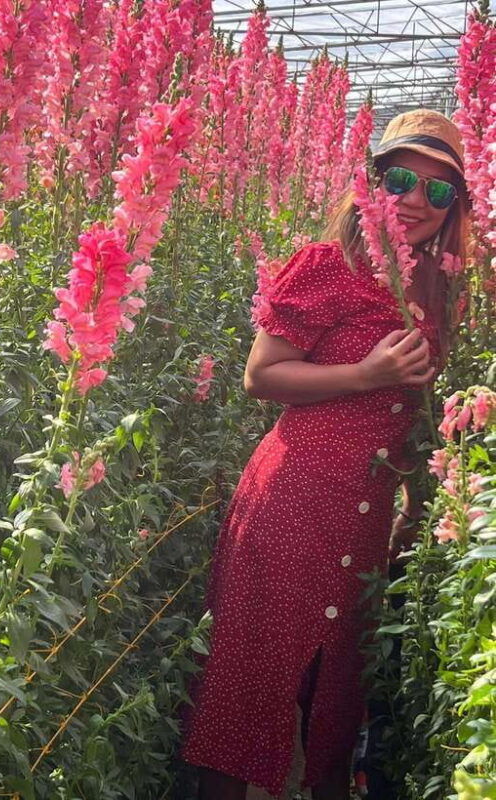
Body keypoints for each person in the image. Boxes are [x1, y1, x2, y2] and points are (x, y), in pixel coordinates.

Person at [180, 109, 470, 800]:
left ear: (455, 206)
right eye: (400, 179)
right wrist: (363, 375)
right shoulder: (326, 267)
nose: (413, 201)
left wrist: (414, 505)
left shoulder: (441, 288)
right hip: (293, 503)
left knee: (335, 694)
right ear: (372, 184)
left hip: (366, 519)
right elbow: (261, 375)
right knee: (253, 686)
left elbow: (417, 424)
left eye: (438, 190)